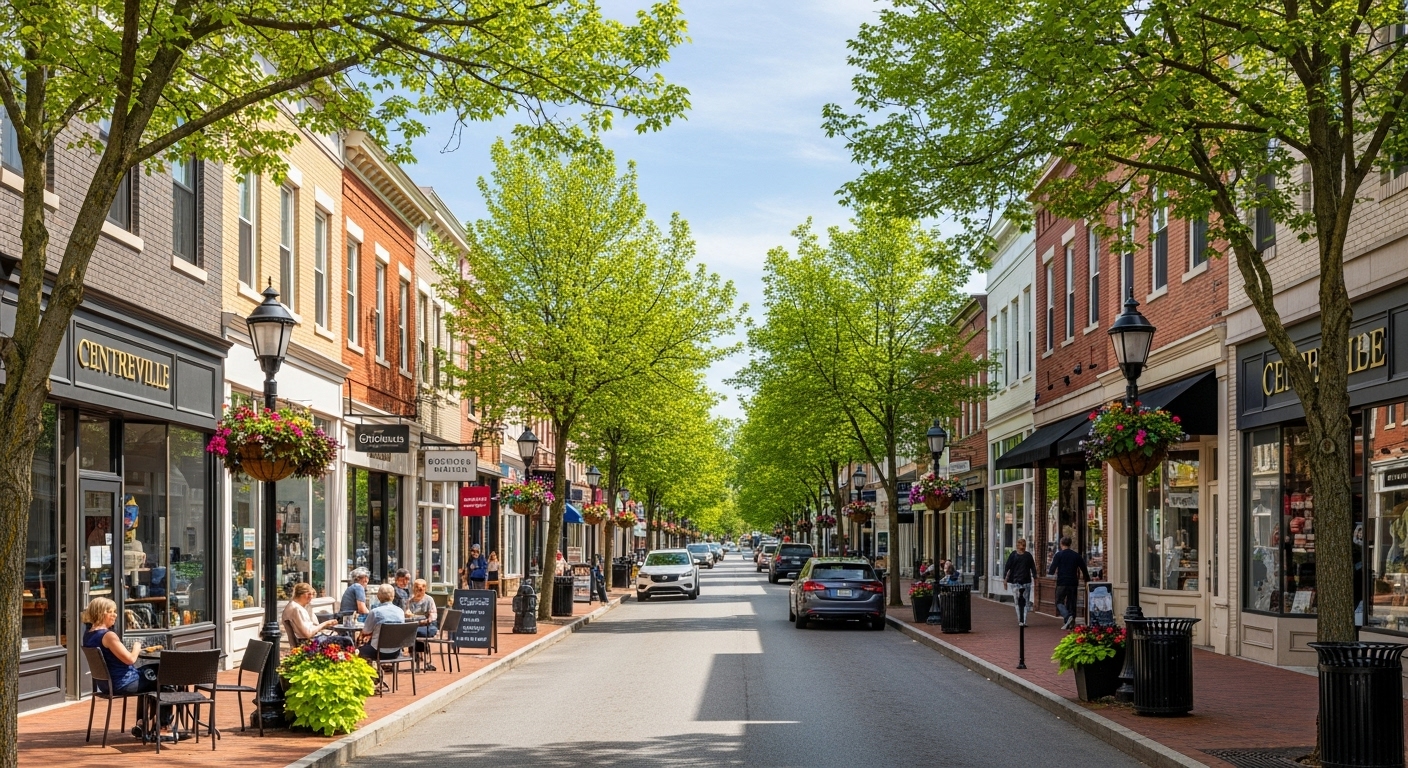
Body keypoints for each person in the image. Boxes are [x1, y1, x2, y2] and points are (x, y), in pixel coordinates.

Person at [81, 597, 172, 740]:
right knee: (166, 674)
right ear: (100, 613)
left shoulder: (88, 634)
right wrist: (137, 647)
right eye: (110, 612)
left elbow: (114, 656)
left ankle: (142, 724)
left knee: (154, 671)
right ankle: (163, 728)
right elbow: (130, 659)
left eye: (115, 611)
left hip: (106, 684)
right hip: (124, 682)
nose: (115, 615)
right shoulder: (108, 636)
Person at [283, 582, 347, 646]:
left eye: (312, 594)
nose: (311, 597)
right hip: (310, 643)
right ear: (301, 594)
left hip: (306, 641)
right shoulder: (296, 609)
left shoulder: (292, 606)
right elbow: (308, 633)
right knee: (347, 640)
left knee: (342, 636)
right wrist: (325, 624)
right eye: (309, 594)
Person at [1048, 535, 1091, 630]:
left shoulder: (1058, 555)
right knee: (1072, 602)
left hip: (1062, 582)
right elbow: (1084, 569)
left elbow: (1052, 569)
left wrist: (1051, 574)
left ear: (1061, 544)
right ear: (1070, 544)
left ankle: (1067, 617)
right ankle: (1071, 622)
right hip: (1073, 582)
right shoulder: (1076, 556)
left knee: (1059, 602)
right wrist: (1087, 579)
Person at [358, 584, 408, 662]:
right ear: (393, 596)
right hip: (396, 651)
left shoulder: (375, 612)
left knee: (358, 651)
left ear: (378, 596)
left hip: (377, 651)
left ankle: (372, 671)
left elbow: (366, 631)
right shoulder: (400, 611)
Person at [405, 578, 439, 670]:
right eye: (417, 587)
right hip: (414, 626)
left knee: (416, 633)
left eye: (422, 588)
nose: (419, 590)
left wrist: (425, 620)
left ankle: (424, 661)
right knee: (409, 632)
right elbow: (407, 613)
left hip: (427, 626)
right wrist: (407, 614)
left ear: (425, 588)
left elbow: (433, 615)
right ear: (413, 588)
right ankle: (416, 660)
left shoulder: (429, 600)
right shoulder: (410, 600)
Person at [1003, 538, 1037, 626]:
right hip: (1026, 581)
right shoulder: (1028, 555)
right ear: (1025, 546)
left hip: (1015, 582)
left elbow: (1007, 567)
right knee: (1026, 602)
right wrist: (1035, 579)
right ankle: (1024, 621)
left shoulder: (1013, 555)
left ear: (1017, 545)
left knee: (1017, 602)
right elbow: (1033, 568)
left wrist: (1005, 580)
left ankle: (1020, 620)